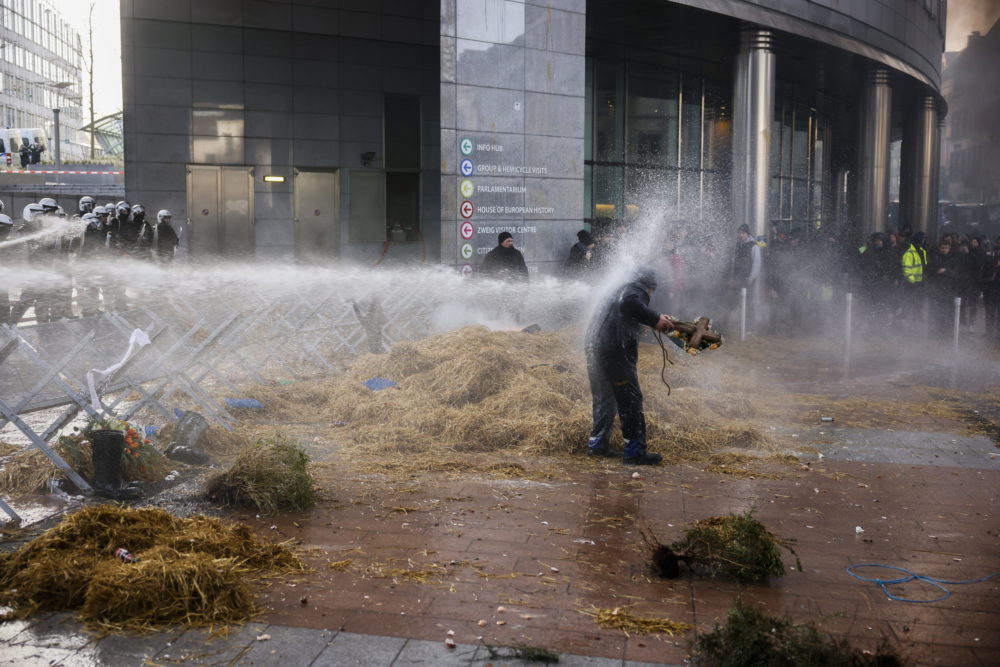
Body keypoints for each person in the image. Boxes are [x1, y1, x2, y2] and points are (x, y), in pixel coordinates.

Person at [584, 266, 674, 465]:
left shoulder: (617, 290)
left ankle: (597, 445)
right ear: (650, 286)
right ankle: (634, 452)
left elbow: (619, 314)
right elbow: (629, 303)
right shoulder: (635, 290)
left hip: (595, 347)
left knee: (605, 396)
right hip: (614, 351)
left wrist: (637, 324)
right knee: (630, 399)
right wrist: (655, 318)